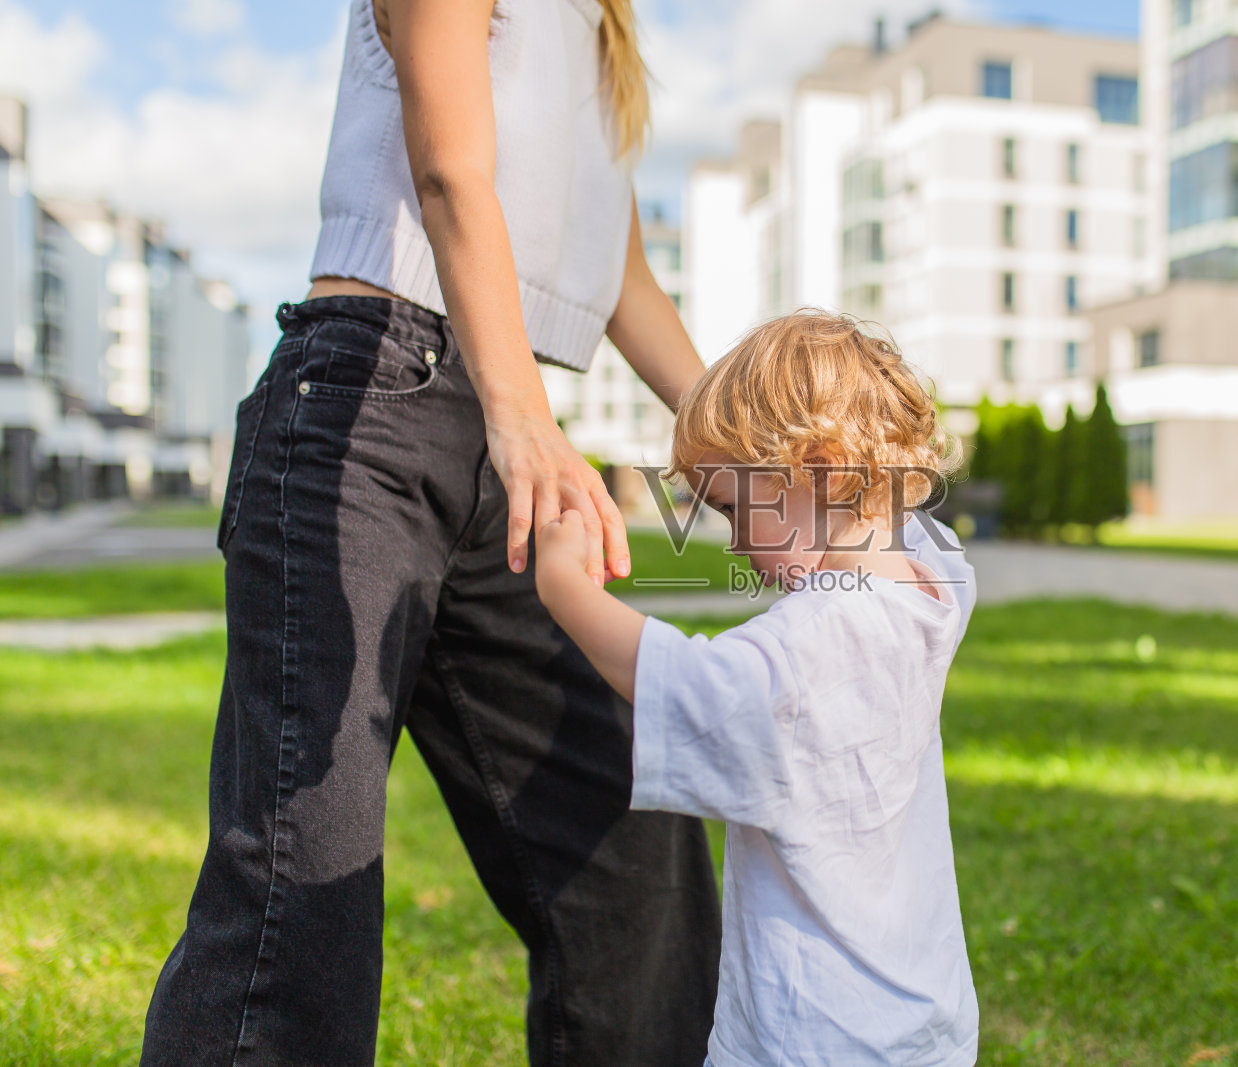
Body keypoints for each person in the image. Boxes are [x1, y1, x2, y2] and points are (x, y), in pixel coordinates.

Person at [140, 0, 720, 1063]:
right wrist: (524, 420)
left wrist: (743, 449)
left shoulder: (600, 29)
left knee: (633, 839)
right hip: (362, 404)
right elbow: (450, 169)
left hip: (495, 431)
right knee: (299, 882)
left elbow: (618, 269)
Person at [532, 311, 981, 1066]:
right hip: (922, 1022)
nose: (735, 541)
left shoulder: (813, 645)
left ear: (827, 470)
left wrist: (562, 589)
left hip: (812, 1036)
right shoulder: (934, 585)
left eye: (739, 508)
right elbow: (900, 522)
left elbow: (685, 682)